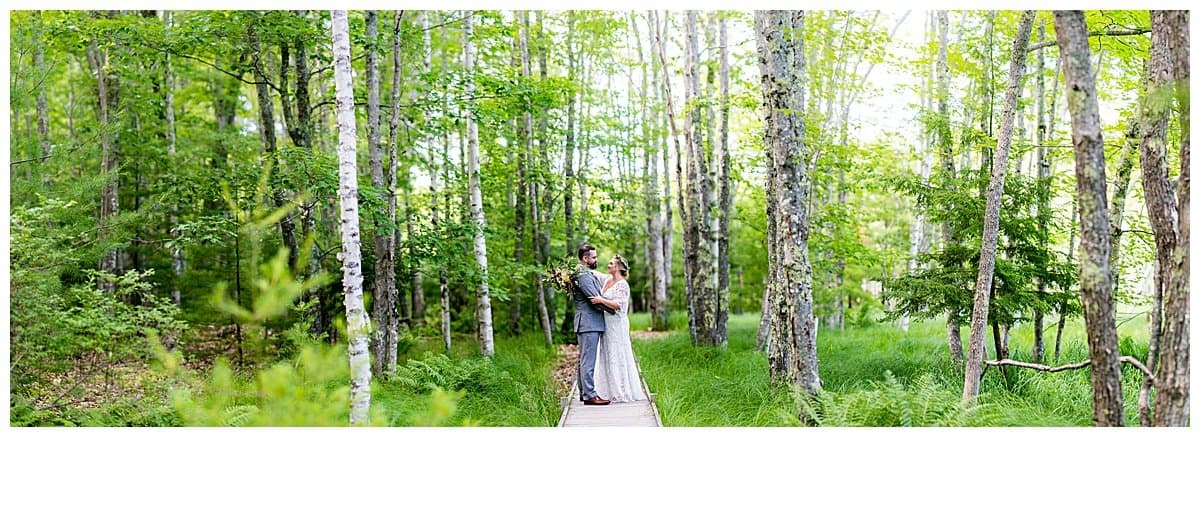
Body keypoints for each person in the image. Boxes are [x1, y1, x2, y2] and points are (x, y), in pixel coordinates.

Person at [589, 254, 649, 403]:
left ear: (618, 267)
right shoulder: (608, 280)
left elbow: (619, 305)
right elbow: (595, 274)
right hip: (606, 324)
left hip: (617, 324)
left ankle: (620, 390)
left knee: (618, 354)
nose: (608, 265)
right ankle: (607, 390)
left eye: (611, 264)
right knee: (608, 353)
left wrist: (601, 300)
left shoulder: (623, 284)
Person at [572, 244, 615, 405]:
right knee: (587, 360)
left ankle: (585, 393)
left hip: (589, 322)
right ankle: (590, 394)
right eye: (594, 257)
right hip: (588, 322)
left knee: (584, 359)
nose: (596, 260)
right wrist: (614, 310)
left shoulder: (585, 273)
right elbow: (594, 300)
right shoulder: (583, 275)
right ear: (585, 259)